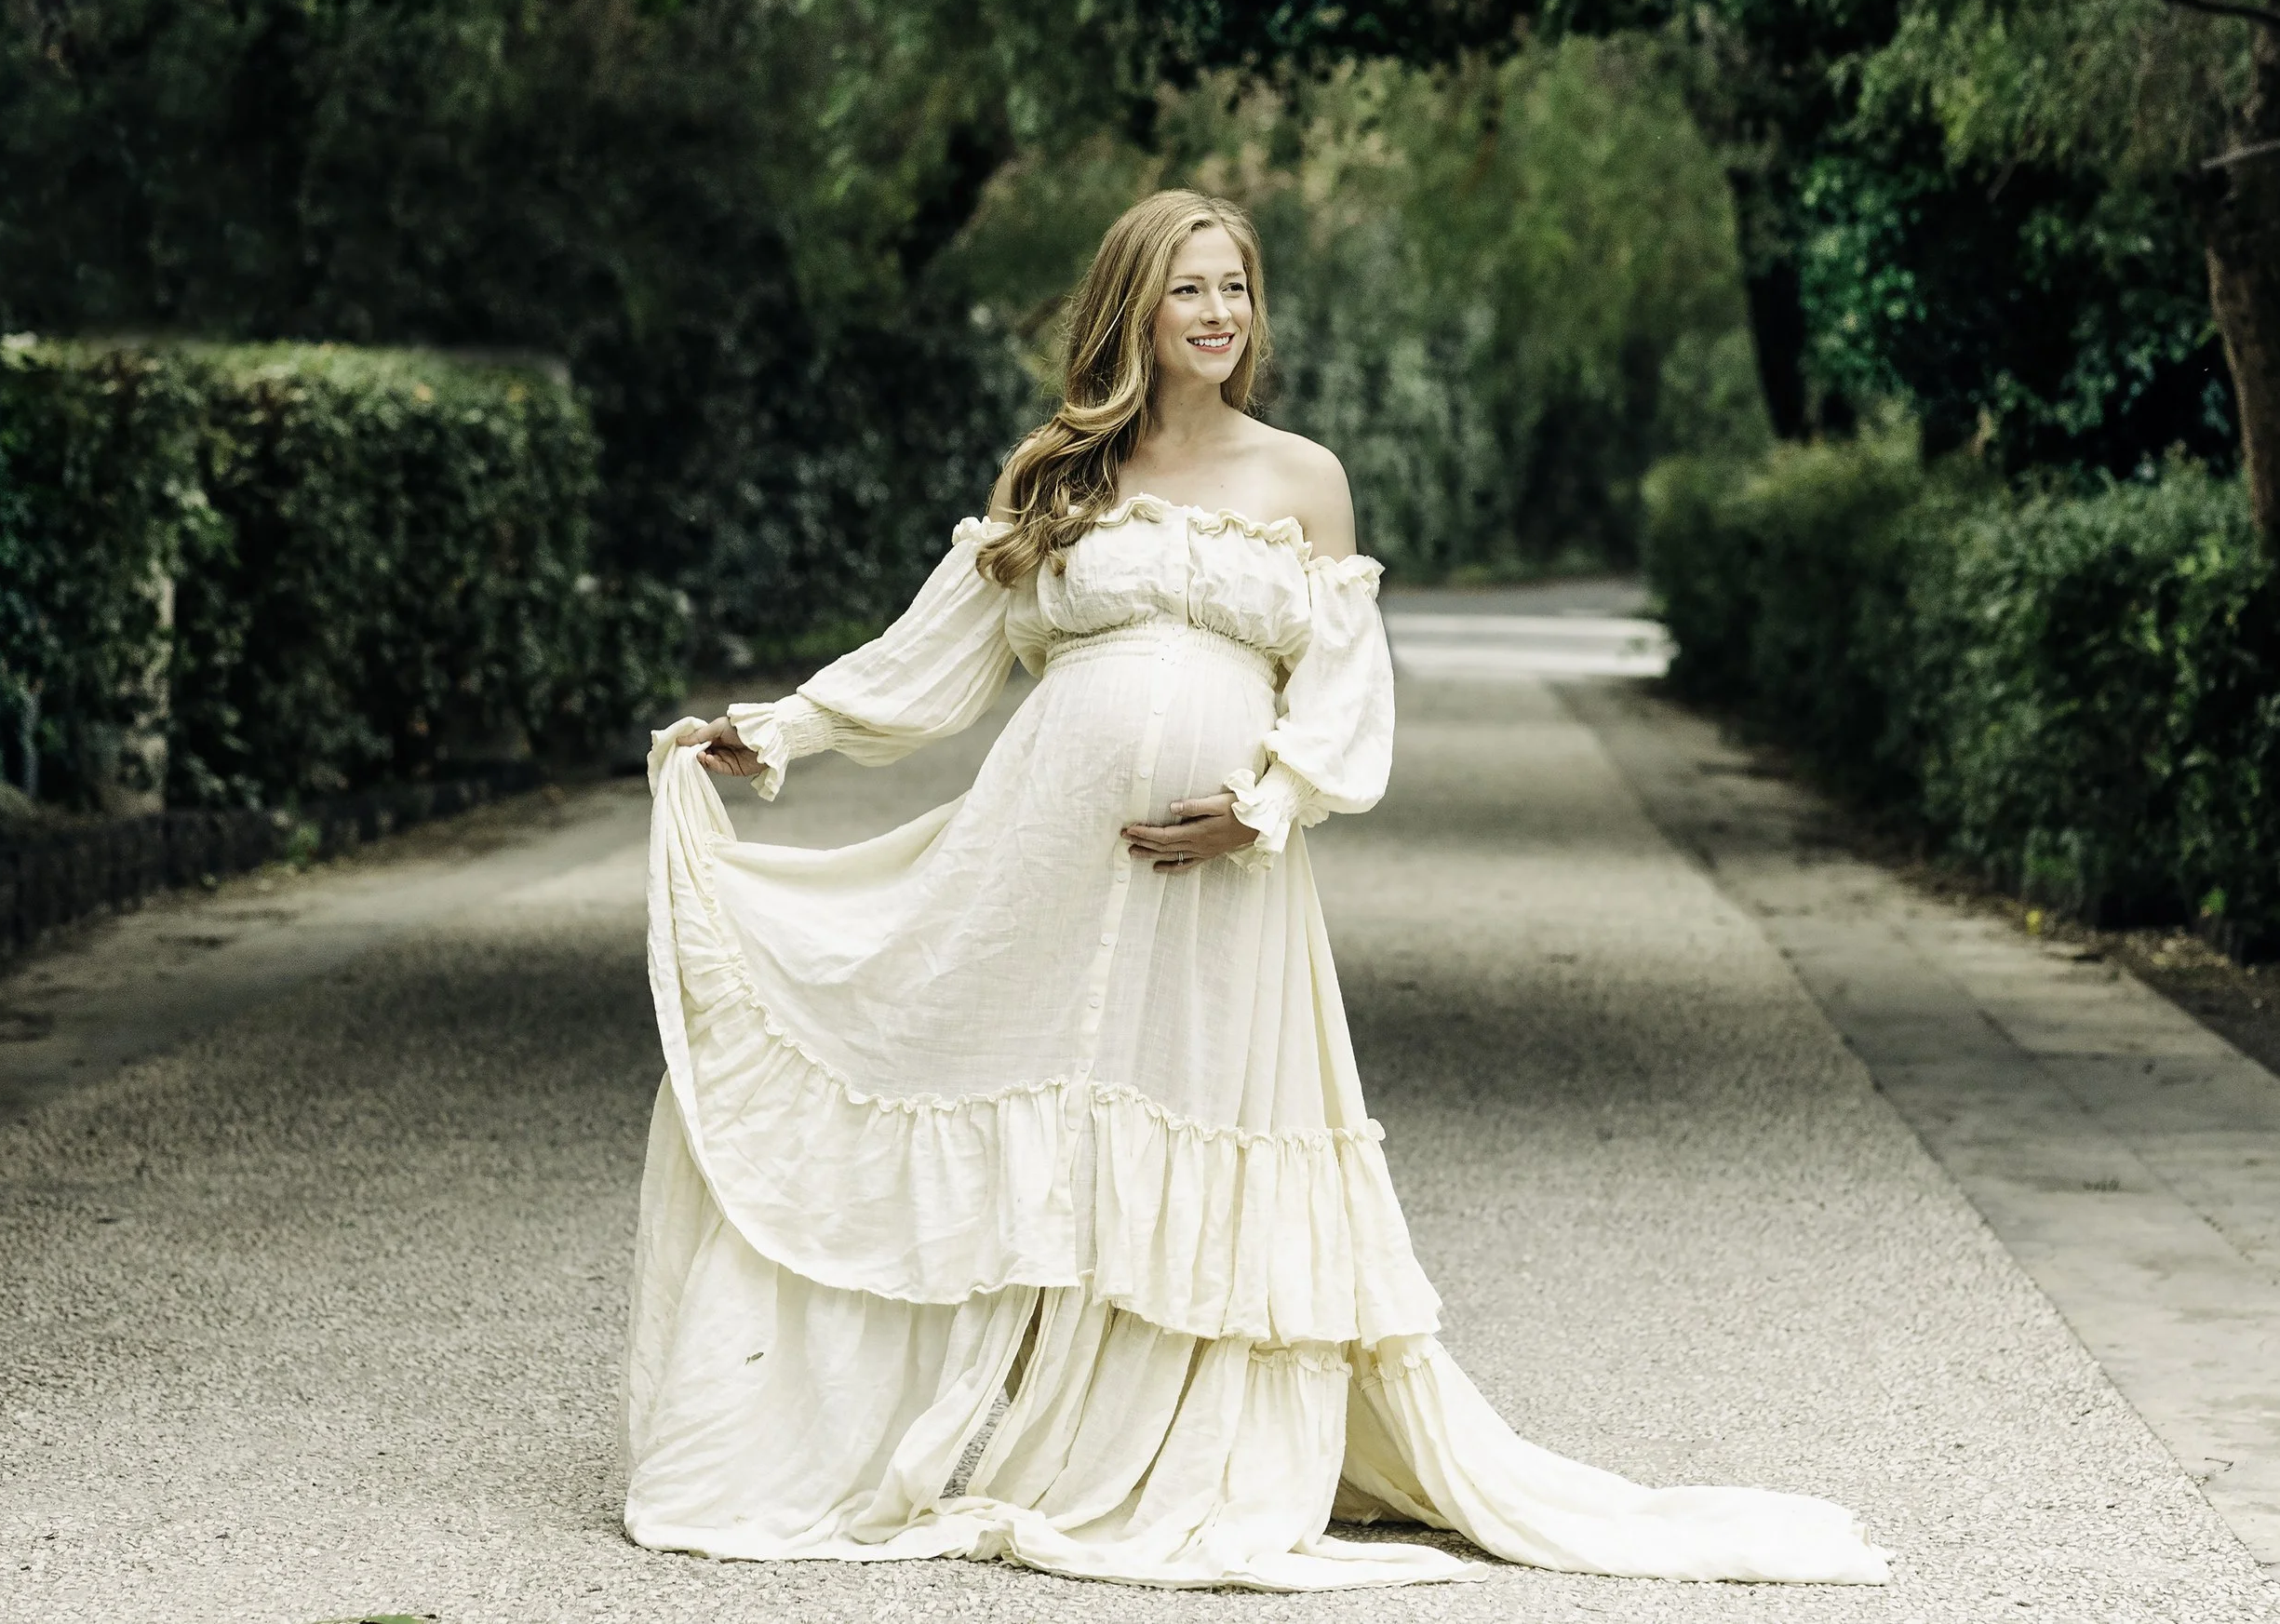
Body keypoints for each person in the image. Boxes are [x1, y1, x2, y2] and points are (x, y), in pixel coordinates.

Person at [624, 189, 1890, 1591]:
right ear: (1133, 312)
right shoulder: (1057, 477)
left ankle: (1179, 1453)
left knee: (1195, 1121)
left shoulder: (1303, 477)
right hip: (1040, 855)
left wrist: (1269, 801)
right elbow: (933, 657)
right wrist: (782, 729)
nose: (1219, 314)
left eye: (1234, 287)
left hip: (1224, 877)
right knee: (1014, 1100)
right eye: (1188, 291)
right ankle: (991, 1439)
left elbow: (1345, 684)